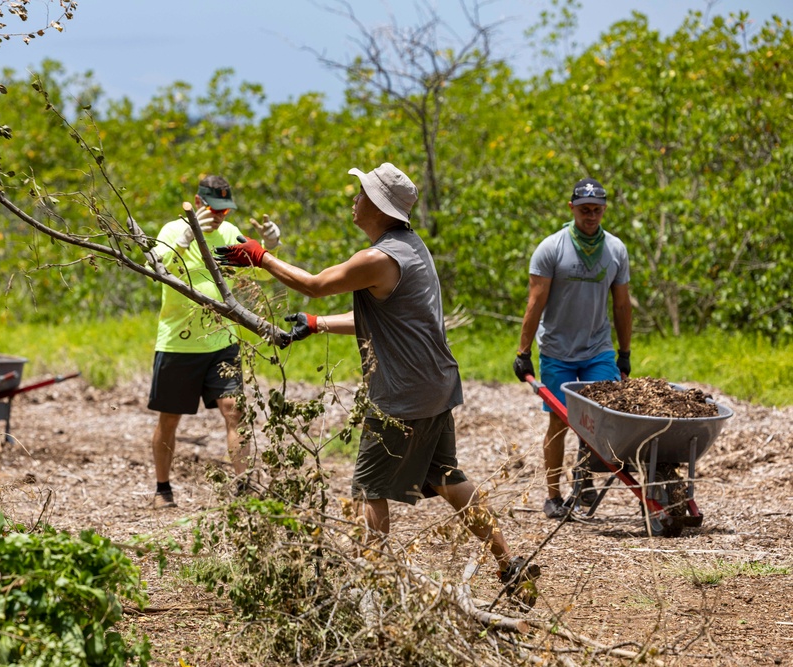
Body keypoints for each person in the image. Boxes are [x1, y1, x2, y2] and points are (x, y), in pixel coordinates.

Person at [215, 163, 540, 601]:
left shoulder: (379, 258)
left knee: (369, 488)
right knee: (446, 477)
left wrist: (260, 257)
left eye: (362, 193)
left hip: (403, 392)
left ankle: (373, 587)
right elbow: (381, 318)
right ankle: (510, 564)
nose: (355, 198)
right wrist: (316, 324)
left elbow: (313, 284)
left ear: (381, 208)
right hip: (437, 383)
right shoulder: (411, 248)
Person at [147, 175, 281, 509]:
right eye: (214, 208)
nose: (219, 215)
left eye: (225, 209)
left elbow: (261, 272)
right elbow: (160, 269)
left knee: (235, 411)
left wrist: (270, 247)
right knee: (169, 419)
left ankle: (244, 492)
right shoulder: (170, 231)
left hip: (222, 340)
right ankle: (163, 489)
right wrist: (184, 239)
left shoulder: (228, 232)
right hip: (178, 343)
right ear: (197, 201)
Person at [513, 177, 633, 519]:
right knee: (559, 422)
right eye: (584, 210)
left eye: (596, 210)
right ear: (572, 209)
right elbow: (535, 303)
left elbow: (622, 305)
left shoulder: (616, 250)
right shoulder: (551, 248)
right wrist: (523, 353)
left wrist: (624, 352)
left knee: (601, 418)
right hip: (557, 350)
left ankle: (583, 474)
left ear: (604, 210)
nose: (590, 216)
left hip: (597, 349)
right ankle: (553, 495)